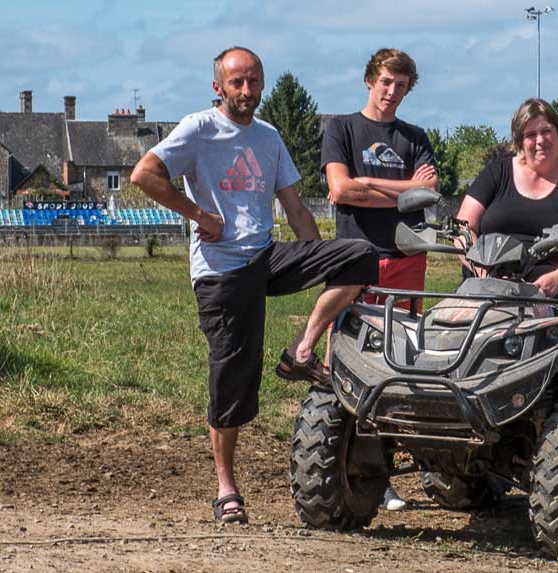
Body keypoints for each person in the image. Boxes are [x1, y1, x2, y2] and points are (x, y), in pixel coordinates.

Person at [131, 46, 378, 525]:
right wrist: (200, 215)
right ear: (218, 87)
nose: (247, 92)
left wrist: (314, 257)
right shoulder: (199, 128)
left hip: (265, 255)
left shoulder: (268, 136)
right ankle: (226, 488)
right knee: (234, 379)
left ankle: (301, 350)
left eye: (254, 82)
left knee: (359, 255)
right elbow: (144, 174)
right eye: (237, 83)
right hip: (221, 271)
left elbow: (297, 209)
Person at [321, 48, 436, 511]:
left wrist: (382, 188)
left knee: (400, 368)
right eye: (385, 81)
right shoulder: (342, 128)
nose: (392, 92)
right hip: (356, 260)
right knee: (343, 369)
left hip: (406, 259)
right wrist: (404, 187)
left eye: (401, 85)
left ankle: (383, 475)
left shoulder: (415, 136)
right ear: (370, 80)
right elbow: (339, 189)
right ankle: (335, 469)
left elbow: (426, 195)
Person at [455, 98, 558, 319]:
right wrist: (483, 271)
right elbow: (463, 228)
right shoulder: (496, 174)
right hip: (491, 278)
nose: (540, 140)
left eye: (547, 131)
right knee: (447, 328)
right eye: (530, 135)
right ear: (520, 140)